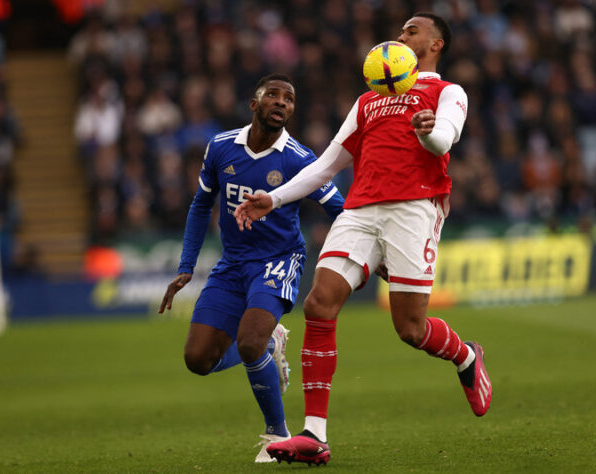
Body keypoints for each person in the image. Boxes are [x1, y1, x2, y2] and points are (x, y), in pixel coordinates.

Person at [234, 13, 492, 466]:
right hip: (359, 210)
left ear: (436, 45)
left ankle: (467, 356)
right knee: (319, 304)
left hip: (414, 209)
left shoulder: (447, 92)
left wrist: (430, 130)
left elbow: (445, 140)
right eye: (401, 30)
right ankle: (315, 435)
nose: (402, 35)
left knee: (410, 329)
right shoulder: (369, 100)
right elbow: (325, 167)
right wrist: (271, 200)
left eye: (413, 30)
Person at [158, 74, 344, 463]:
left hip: (279, 259)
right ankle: (271, 345)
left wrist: (363, 253)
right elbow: (200, 205)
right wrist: (187, 266)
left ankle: (276, 434)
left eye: (289, 98)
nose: (282, 102)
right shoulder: (222, 147)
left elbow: (338, 210)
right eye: (273, 95)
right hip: (232, 263)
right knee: (198, 361)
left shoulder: (300, 158)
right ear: (254, 104)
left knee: (248, 341)